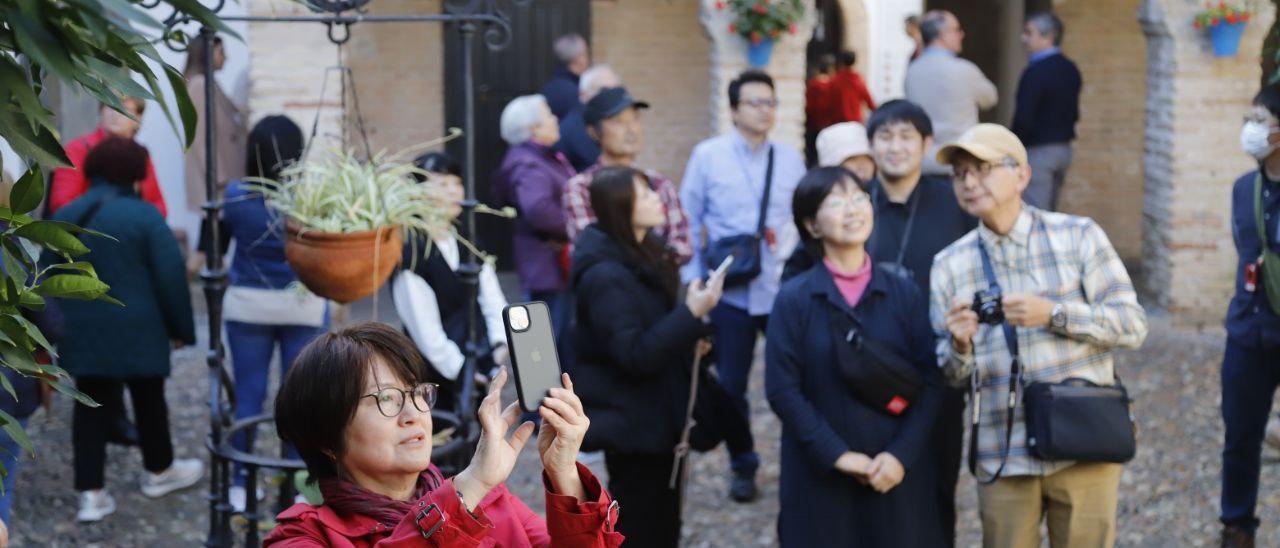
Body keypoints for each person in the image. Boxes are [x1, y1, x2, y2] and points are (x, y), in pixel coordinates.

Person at [931, 124, 1148, 547]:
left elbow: (1132, 325)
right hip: (1002, 448)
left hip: (1085, 440)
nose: (969, 182)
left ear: (1022, 176)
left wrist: (1054, 313)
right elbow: (951, 377)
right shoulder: (948, 265)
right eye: (959, 173)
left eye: (982, 168)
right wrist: (959, 347)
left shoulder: (1078, 235)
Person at [263, 322, 623, 546]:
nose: (413, 414)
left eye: (417, 393)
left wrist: (564, 475)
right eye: (386, 398)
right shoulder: (304, 538)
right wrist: (468, 490)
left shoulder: (492, 501)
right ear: (327, 438)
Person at [766, 167, 942, 547]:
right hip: (820, 476)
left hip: (894, 474)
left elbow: (931, 380)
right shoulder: (794, 299)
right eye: (836, 201)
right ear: (812, 225)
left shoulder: (903, 293)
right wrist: (839, 456)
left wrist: (899, 456)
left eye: (859, 197)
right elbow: (782, 390)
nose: (852, 209)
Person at [570, 166, 733, 546]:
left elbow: (656, 331)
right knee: (642, 523)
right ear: (620, 207)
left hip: (659, 413)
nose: (657, 200)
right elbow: (634, 354)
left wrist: (693, 335)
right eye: (644, 195)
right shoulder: (605, 275)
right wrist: (690, 314)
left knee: (665, 518)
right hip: (632, 423)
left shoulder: (648, 250)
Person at [51, 137, 202, 523]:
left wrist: (52, 331)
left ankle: (91, 493)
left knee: (89, 407)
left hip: (83, 330)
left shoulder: (67, 216)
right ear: (136, 172)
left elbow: (44, 275)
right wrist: (182, 329)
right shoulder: (145, 216)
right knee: (150, 400)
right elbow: (171, 278)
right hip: (141, 329)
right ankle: (159, 471)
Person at [680, 69, 806, 502]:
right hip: (728, 292)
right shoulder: (708, 156)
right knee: (730, 386)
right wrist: (694, 280)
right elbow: (688, 220)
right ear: (733, 110)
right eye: (754, 102)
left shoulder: (790, 159)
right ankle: (744, 462)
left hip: (781, 291)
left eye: (770, 102)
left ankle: (804, 460)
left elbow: (805, 220)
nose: (764, 110)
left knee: (795, 378)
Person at [864, 99, 976, 546]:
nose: (895, 147)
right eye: (885, 136)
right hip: (866, 370)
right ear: (870, 144)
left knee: (936, 479)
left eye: (906, 136)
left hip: (938, 367)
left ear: (927, 144)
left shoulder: (953, 201)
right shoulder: (853, 200)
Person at [220, 115, 328, 512]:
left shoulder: (235, 195)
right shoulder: (308, 199)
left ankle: (238, 482)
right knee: (299, 397)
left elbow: (216, 245)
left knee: (248, 397)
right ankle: (297, 479)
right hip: (302, 306)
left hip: (248, 306)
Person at [393, 151, 511, 415]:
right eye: (442, 184)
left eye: (456, 183)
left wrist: (499, 346)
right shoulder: (412, 254)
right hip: (437, 377)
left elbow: (492, 299)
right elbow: (426, 332)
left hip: (483, 362)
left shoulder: (468, 242)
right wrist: (463, 372)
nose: (453, 191)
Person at [1219, 84, 1280, 548]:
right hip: (1248, 331)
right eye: (1252, 118)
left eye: (1262, 120)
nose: (1252, 129)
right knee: (1240, 436)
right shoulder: (1245, 188)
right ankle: (1237, 525)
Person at [563, 86, 693, 265]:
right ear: (594, 132)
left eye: (635, 119)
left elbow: (683, 247)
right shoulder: (582, 188)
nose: (632, 130)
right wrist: (654, 254)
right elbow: (590, 248)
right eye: (618, 121)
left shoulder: (659, 184)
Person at [491, 94, 576, 349]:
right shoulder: (528, 162)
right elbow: (539, 210)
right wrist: (577, 226)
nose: (555, 119)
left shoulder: (541, 156)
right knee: (548, 343)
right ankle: (543, 389)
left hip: (552, 265)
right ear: (533, 129)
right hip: (547, 266)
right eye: (549, 115)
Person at [905, 10, 998, 176]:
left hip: (924, 163)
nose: (961, 34)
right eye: (956, 30)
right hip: (958, 161)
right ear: (943, 35)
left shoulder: (912, 70)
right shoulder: (964, 70)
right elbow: (990, 98)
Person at [184, 33, 248, 274]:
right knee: (208, 246)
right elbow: (200, 136)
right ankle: (182, 291)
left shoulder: (207, 83)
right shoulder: (200, 85)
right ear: (207, 53)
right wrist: (218, 176)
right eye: (221, 52)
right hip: (217, 182)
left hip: (220, 181)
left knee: (215, 247)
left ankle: (215, 300)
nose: (226, 57)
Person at [47, 97, 167, 217]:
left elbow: (159, 207)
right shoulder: (78, 148)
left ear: (137, 119)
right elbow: (62, 205)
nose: (116, 114)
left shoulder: (140, 155)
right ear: (101, 111)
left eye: (125, 109)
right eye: (111, 107)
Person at [1012, 11, 1082, 212]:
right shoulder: (1071, 68)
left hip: (1039, 152)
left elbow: (1024, 118)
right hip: (1063, 150)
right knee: (1049, 212)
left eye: (1029, 33)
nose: (1023, 38)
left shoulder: (1035, 72)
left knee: (1035, 214)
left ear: (1047, 37)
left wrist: (1013, 147)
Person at [556, 65, 620, 172]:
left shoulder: (597, 119)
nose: (611, 97)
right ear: (583, 94)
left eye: (616, 91)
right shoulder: (577, 126)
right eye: (604, 90)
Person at [542, 33, 591, 120]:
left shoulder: (554, 84)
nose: (587, 59)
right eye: (585, 54)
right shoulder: (571, 92)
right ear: (579, 59)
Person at [805, 55, 839, 165]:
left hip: (813, 122)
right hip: (829, 122)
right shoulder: (833, 85)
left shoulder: (812, 84)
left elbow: (808, 103)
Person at [833, 50, 876, 125]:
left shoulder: (836, 80)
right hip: (855, 121)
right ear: (855, 62)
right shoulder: (858, 80)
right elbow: (868, 99)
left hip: (838, 121)